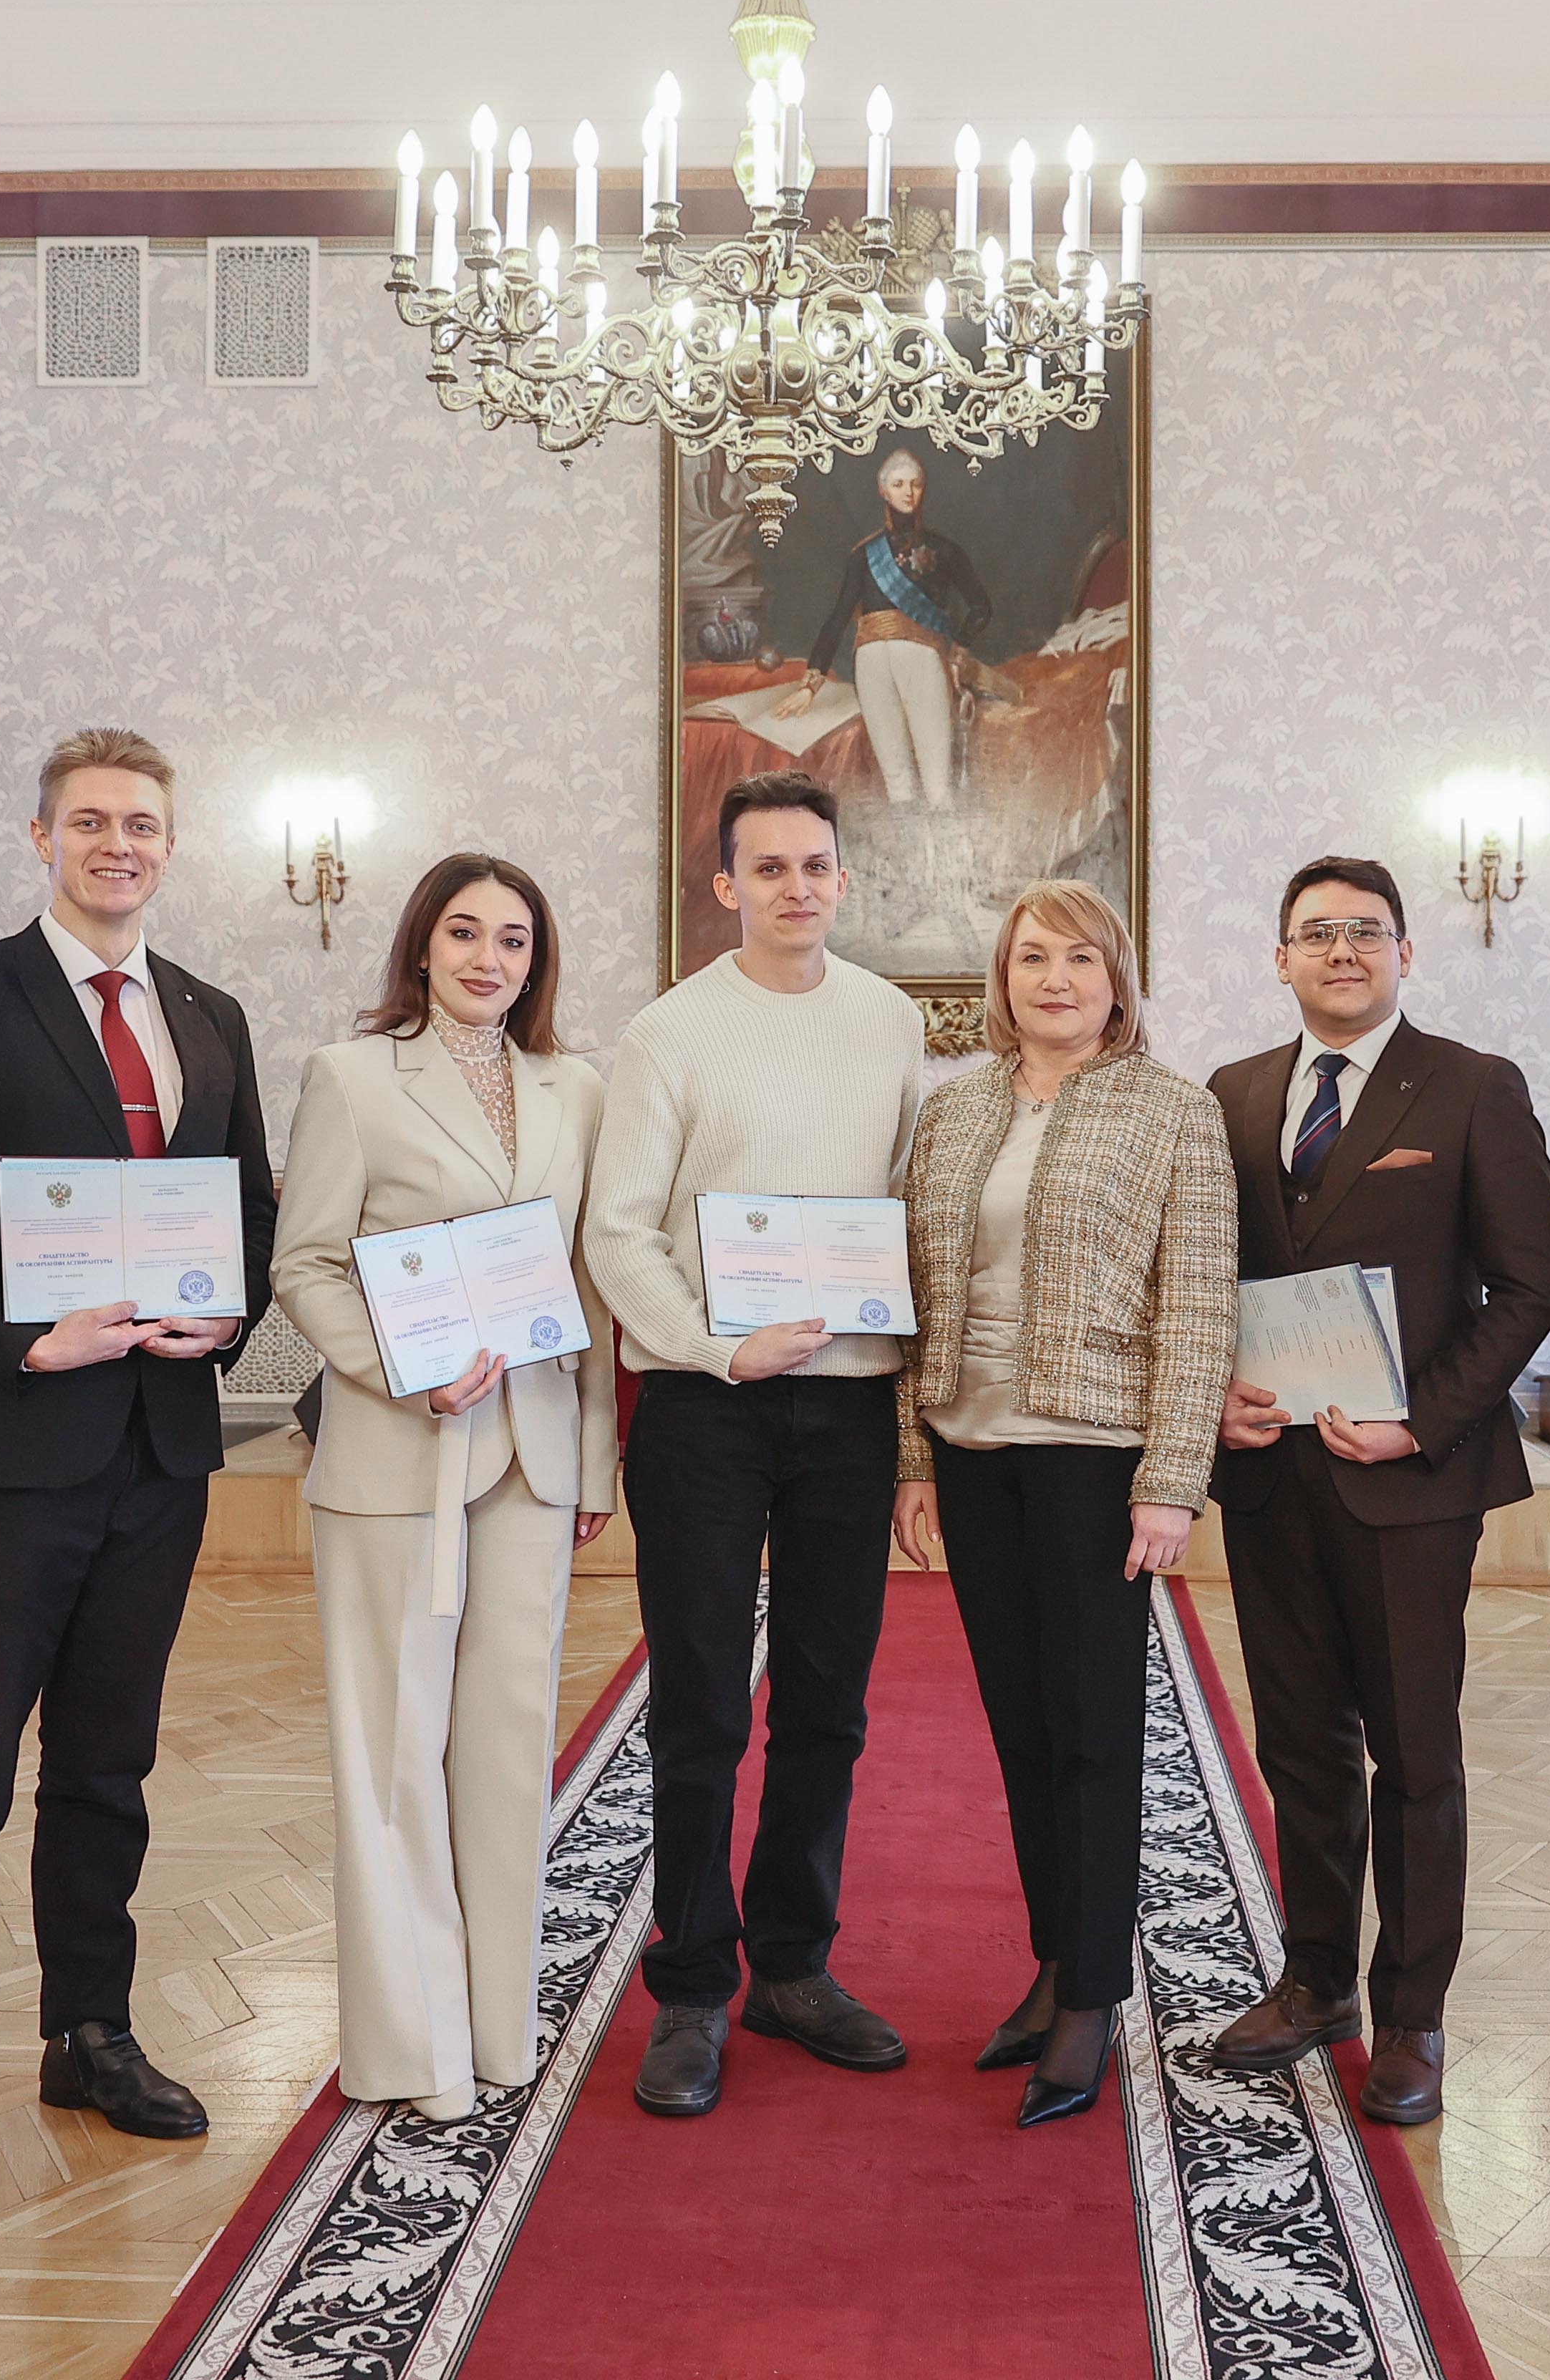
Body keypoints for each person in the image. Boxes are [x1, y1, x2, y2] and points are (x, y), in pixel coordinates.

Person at [0, 727, 281, 2220]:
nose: (118, 845)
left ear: (170, 843)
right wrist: (23, 1340)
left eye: (141, 824)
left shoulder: (211, 1015)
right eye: (90, 821)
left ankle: (90, 2034)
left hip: (161, 1449)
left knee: (108, 1769)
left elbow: (250, 1212)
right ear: (41, 838)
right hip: (7, 1453)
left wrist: (230, 1318)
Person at [581, 768, 928, 2119]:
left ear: (844, 877)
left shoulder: (890, 1020)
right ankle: (690, 1984)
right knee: (701, 1708)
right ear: (725, 884)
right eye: (768, 866)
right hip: (705, 1407)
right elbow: (619, 1230)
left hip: (848, 1404)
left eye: (816, 865)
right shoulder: (668, 1032)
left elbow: (906, 1203)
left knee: (826, 1704)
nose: (796, 886)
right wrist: (717, 1347)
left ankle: (793, 1964)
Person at [1204, 856, 1550, 2127]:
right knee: (1299, 1742)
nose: (1342, 950)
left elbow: (1527, 1289)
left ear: (1406, 951)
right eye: (1317, 933)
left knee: (1413, 1750)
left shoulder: (1471, 1085)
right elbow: (1208, 1278)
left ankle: (1413, 2012)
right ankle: (1316, 1984)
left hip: (1410, 1480)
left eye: (1366, 930)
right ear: (1281, 957)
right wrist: (1216, 1394)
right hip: (1271, 1474)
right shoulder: (1233, 1094)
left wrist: (1419, 1424)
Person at [269, 854, 615, 2124]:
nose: (487, 958)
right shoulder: (352, 1077)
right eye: (464, 933)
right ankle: (411, 2046)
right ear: (421, 946)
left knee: (509, 1751)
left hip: (533, 1455)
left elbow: (587, 1287)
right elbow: (305, 1262)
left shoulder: (577, 1088)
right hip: (396, 1449)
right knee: (393, 1751)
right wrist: (398, 1368)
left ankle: (497, 2031)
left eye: (513, 940)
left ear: (536, 962)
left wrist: (594, 1456)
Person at [888, 881, 1237, 2127]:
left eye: (1080, 957)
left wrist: (1170, 1482)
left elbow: (1198, 1307)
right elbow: (914, 1293)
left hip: (1098, 1459)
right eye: (1032, 956)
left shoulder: (1174, 1110)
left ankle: (1092, 1993)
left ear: (1115, 977)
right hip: (972, 1450)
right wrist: (914, 1458)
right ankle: (1052, 1963)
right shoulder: (955, 1108)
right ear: (1002, 976)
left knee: (1092, 1732)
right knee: (1022, 1729)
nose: (1055, 978)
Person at [788, 445, 991, 809]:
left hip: (909, 659)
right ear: (884, 491)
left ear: (923, 488)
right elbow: (838, 618)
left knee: (930, 781)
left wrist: (959, 652)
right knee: (901, 781)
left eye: (915, 484)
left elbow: (982, 609)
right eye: (899, 484)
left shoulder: (943, 551)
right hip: (876, 663)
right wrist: (810, 683)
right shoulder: (865, 555)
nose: (908, 492)